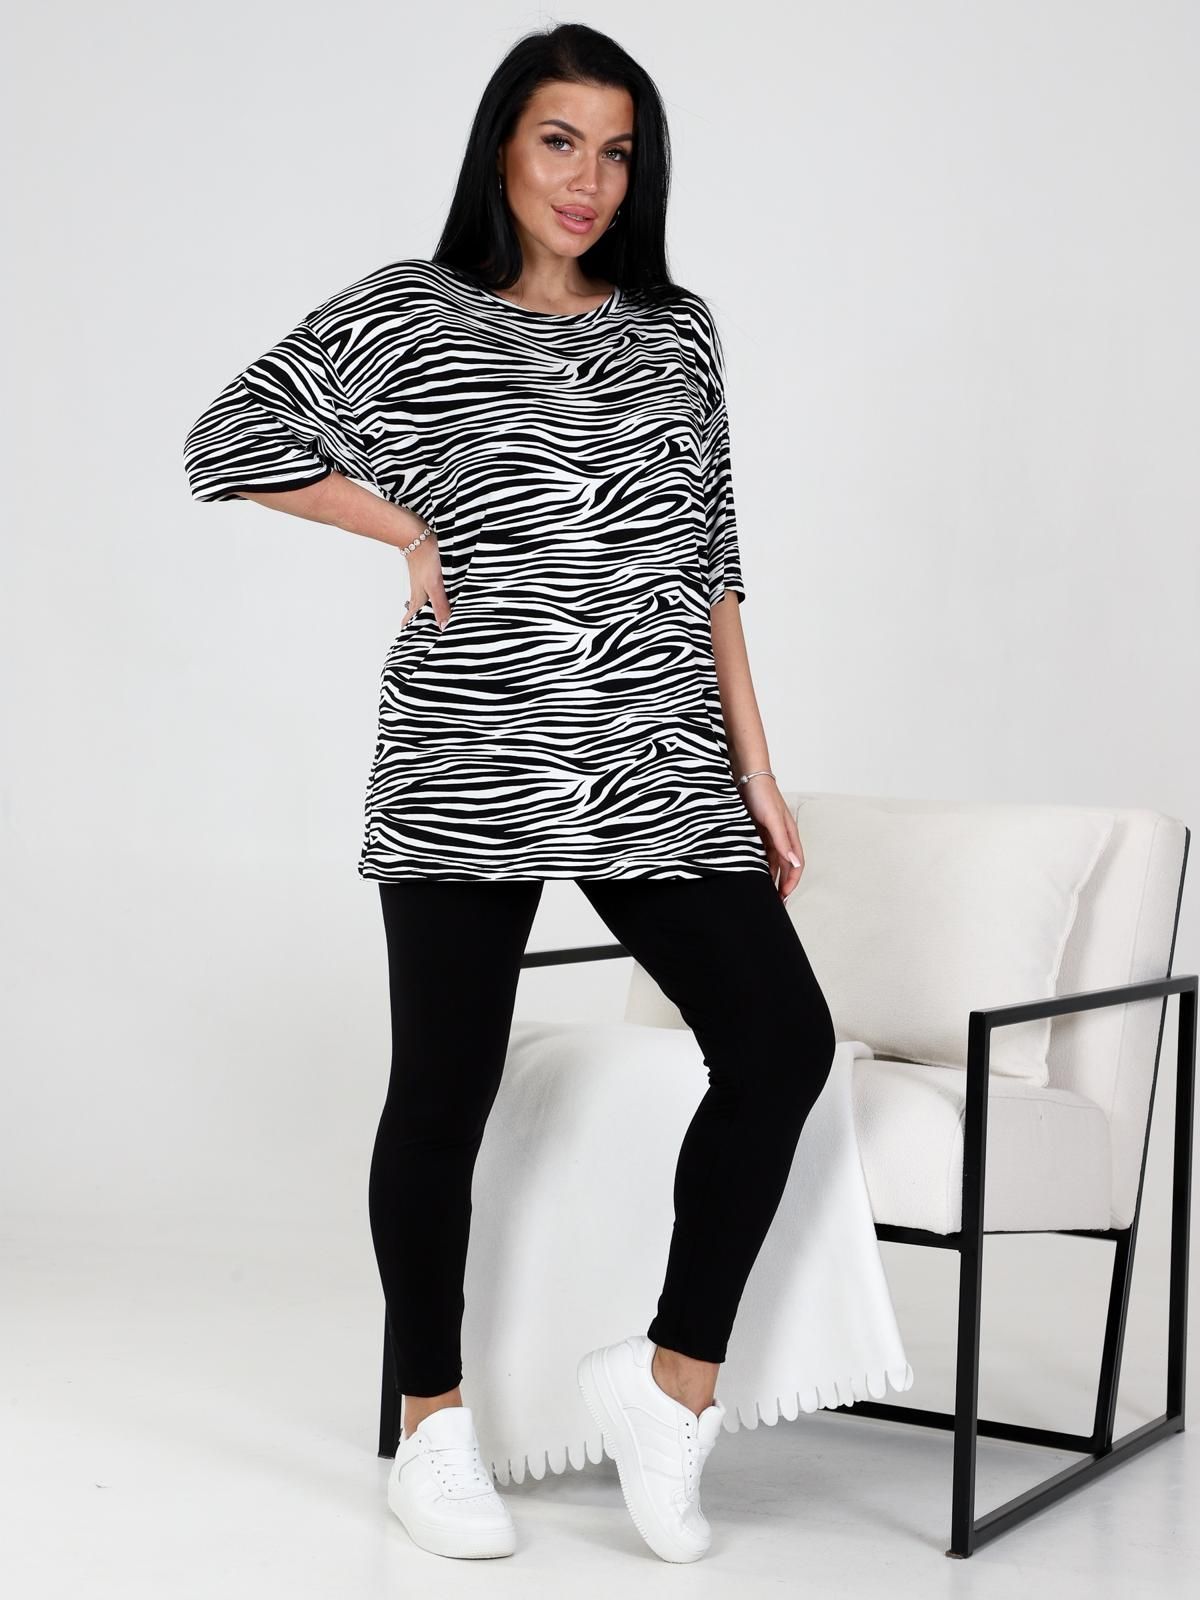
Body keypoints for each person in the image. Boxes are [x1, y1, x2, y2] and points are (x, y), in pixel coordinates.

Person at [183, 20, 836, 1566]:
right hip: (465, 756)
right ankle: (432, 1424)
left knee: (780, 1044)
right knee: (445, 1091)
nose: (588, 179)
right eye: (560, 142)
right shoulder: (411, 312)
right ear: (501, 148)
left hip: (656, 756)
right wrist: (403, 526)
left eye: (617, 152)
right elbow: (227, 438)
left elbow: (712, 561)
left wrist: (754, 766)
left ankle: (670, 1392)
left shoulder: (676, 332)